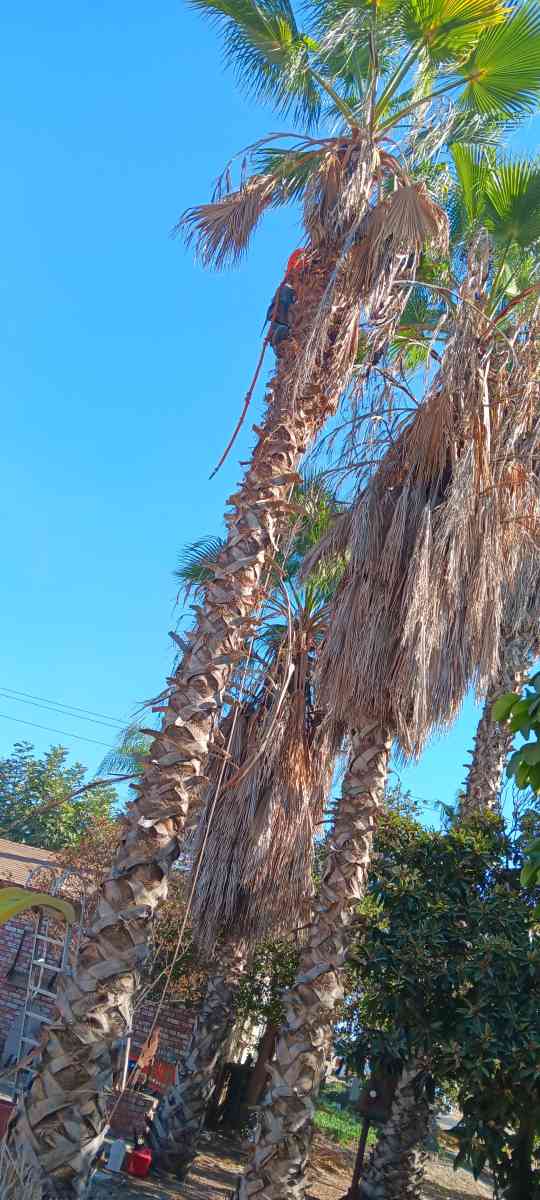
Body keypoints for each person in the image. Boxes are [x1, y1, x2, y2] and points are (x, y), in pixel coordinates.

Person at [265, 249, 307, 350]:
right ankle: (278, 336)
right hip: (282, 325)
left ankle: (281, 333)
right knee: (285, 292)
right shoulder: (285, 288)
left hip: (292, 321)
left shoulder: (297, 286)